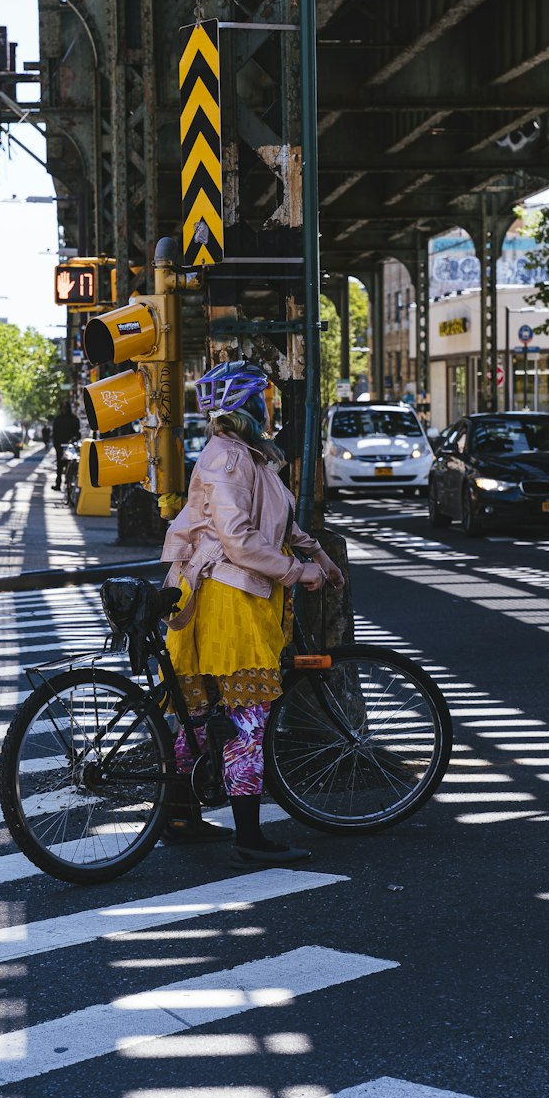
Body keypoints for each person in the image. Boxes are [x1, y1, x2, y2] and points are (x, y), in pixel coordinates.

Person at [161, 360, 345, 867]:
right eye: (262, 396)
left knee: (200, 714)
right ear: (245, 405)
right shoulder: (228, 460)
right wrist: (294, 572)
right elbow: (239, 539)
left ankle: (178, 817)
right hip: (226, 598)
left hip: (225, 593)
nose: (270, 403)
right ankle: (248, 836)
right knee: (246, 719)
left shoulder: (249, 456)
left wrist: (318, 555)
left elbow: (277, 517)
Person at [51, 398, 81, 490]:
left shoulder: (73, 419)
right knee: (60, 467)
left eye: (65, 408)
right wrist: (56, 445)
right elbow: (55, 433)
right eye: (63, 408)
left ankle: (69, 483)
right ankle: (59, 484)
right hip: (60, 446)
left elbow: (77, 433)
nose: (64, 410)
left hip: (70, 446)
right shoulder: (58, 420)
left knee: (70, 465)